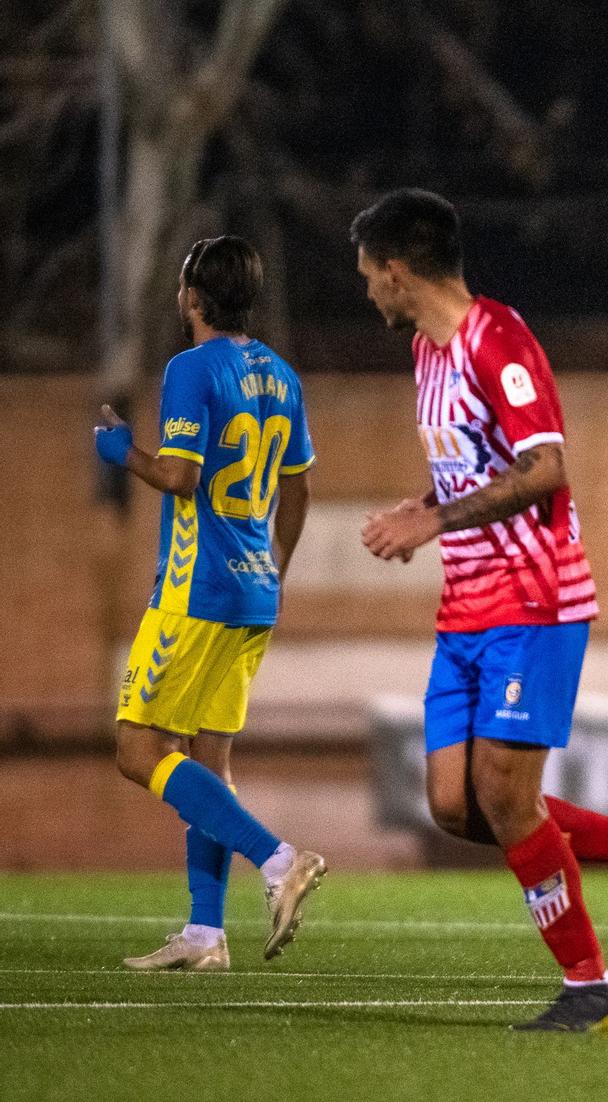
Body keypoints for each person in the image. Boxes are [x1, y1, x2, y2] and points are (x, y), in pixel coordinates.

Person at [350, 188, 608, 1033]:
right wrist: (427, 503)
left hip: (534, 602)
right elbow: (477, 465)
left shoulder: (497, 340)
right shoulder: (428, 357)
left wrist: (430, 521)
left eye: (368, 276)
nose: (366, 293)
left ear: (398, 272)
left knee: (506, 801)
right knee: (455, 805)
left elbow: (544, 469)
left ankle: (591, 989)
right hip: (466, 607)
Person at [96, 236, 326, 972]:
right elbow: (299, 488)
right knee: (210, 758)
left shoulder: (192, 368)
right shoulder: (282, 375)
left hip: (197, 591)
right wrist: (276, 567)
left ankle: (278, 857)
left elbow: (180, 476)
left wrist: (120, 452)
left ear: (194, 296)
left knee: (138, 747)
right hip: (255, 591)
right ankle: (205, 934)